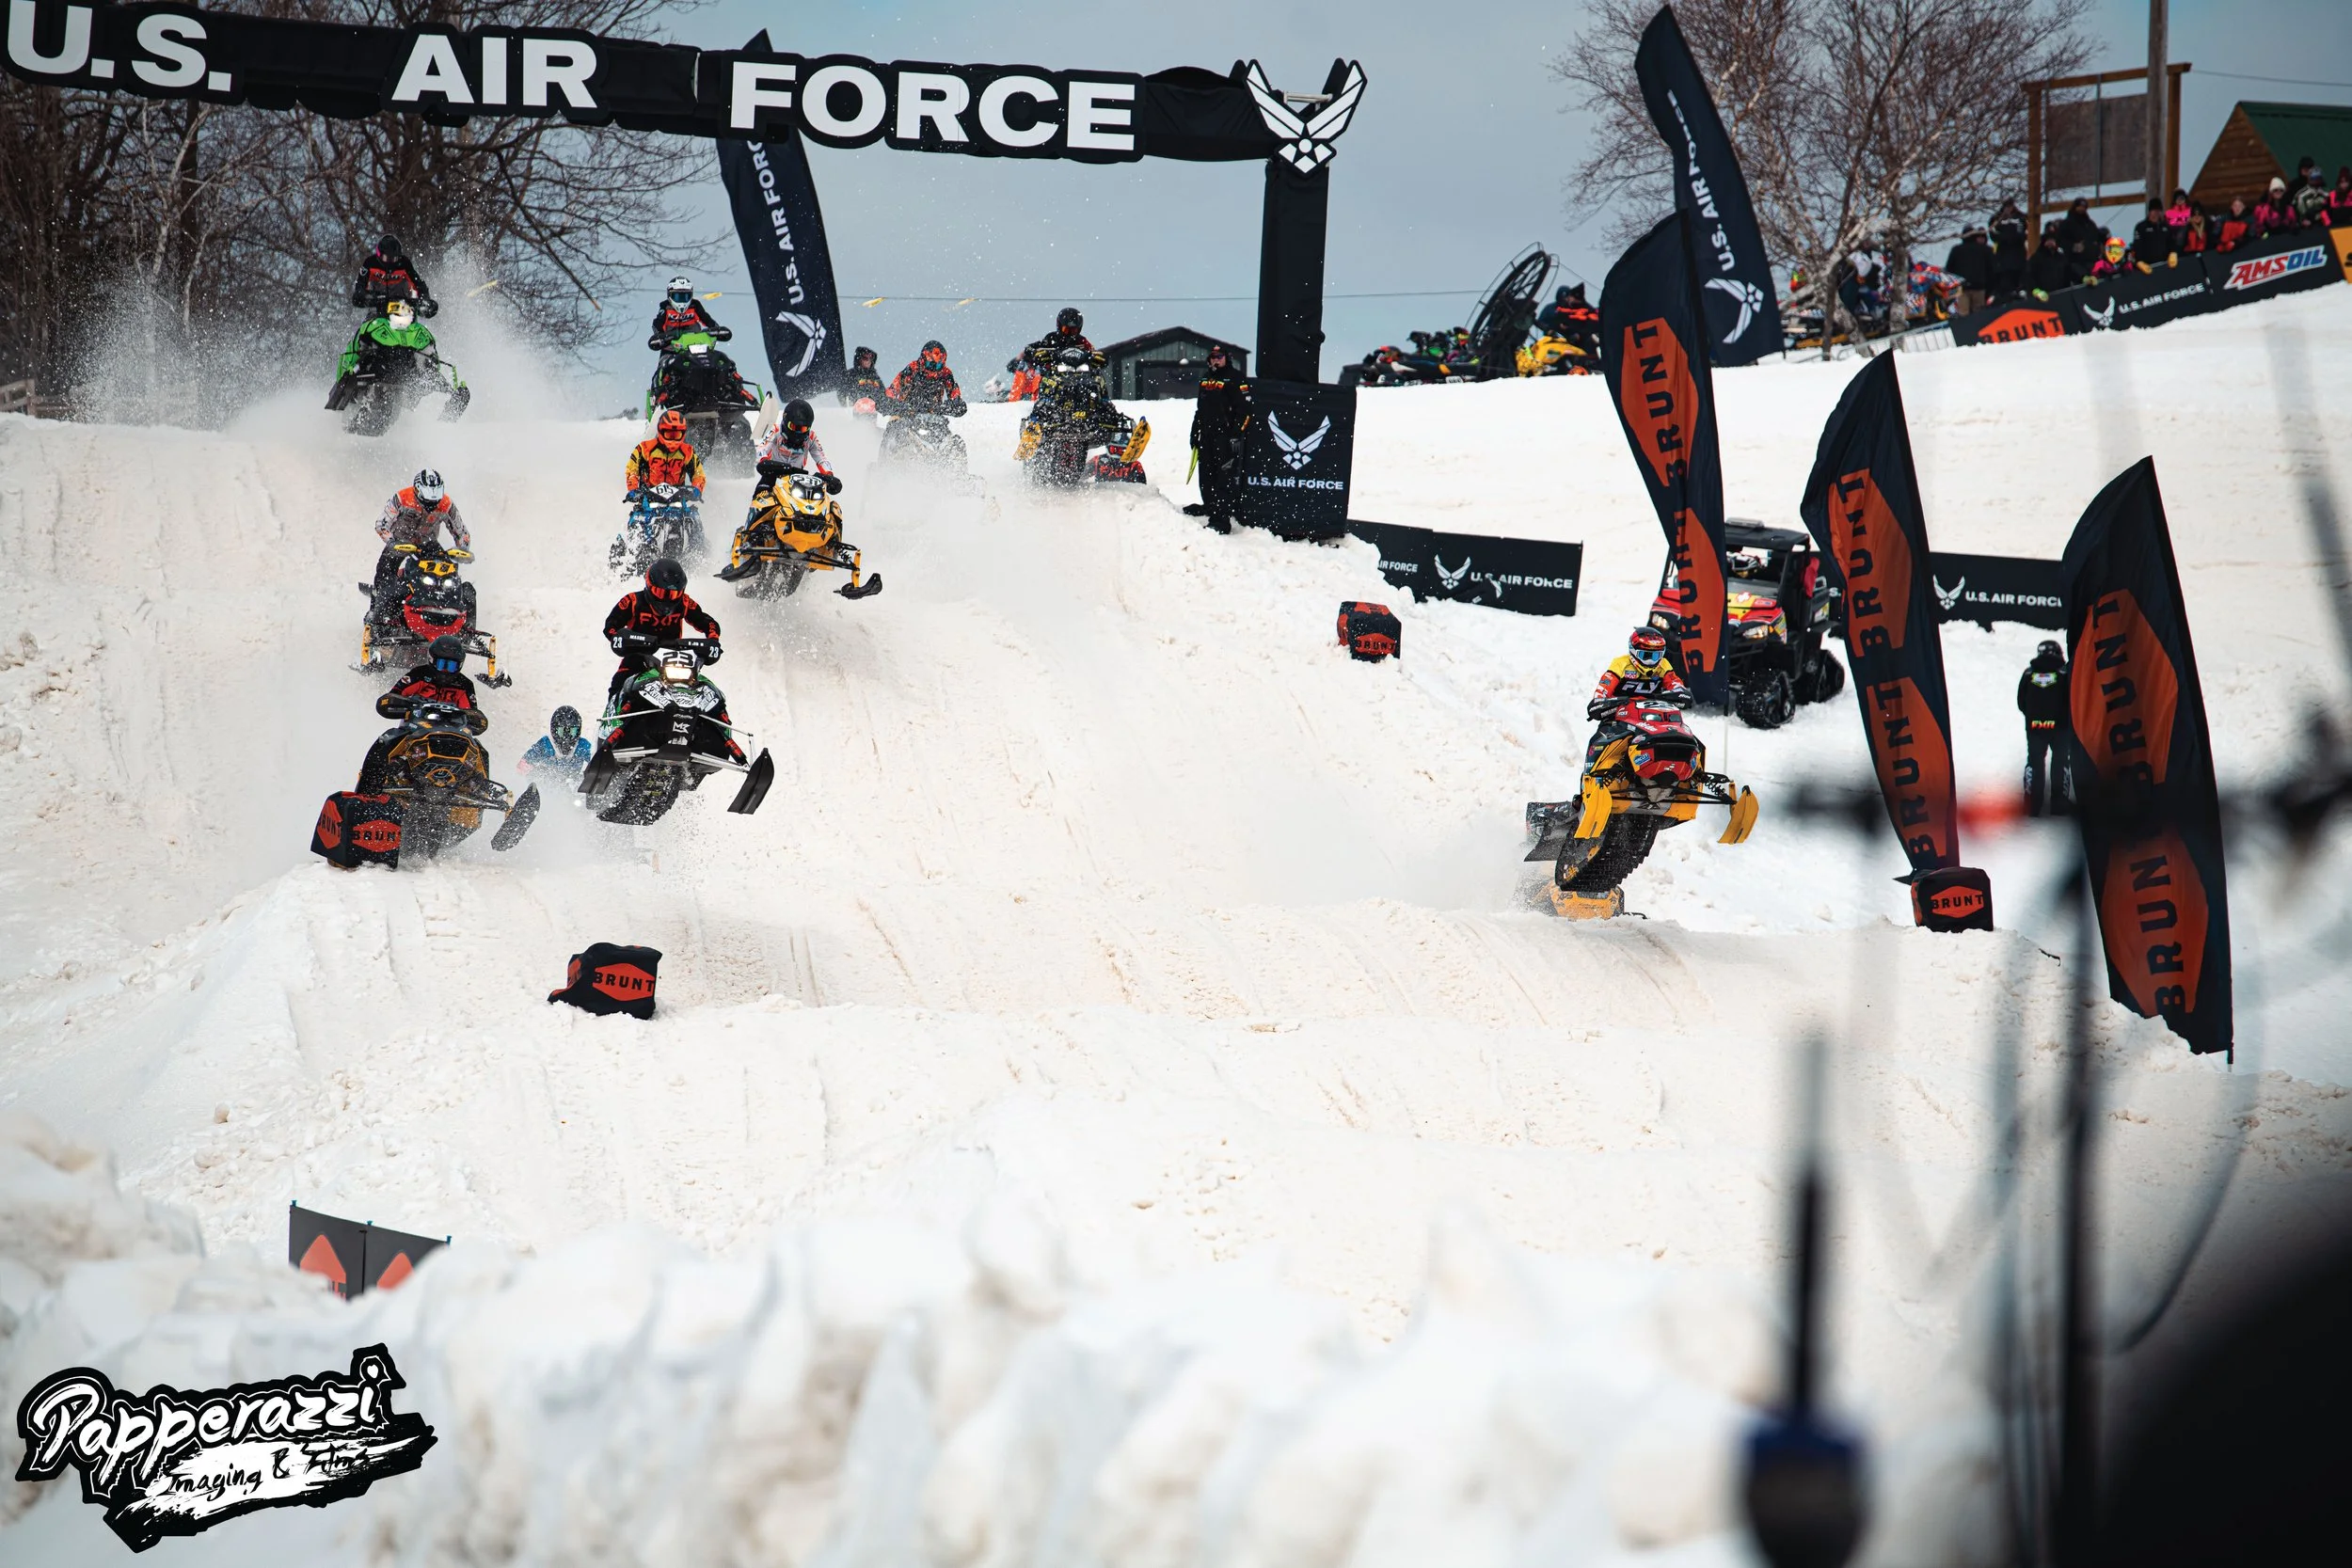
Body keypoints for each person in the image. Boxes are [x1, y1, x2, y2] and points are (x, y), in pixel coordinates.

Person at [602, 559, 721, 702]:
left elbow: (708, 622)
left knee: (706, 690)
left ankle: (716, 713)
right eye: (661, 593)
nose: (667, 600)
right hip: (638, 655)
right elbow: (611, 624)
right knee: (619, 684)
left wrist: (713, 640)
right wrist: (617, 637)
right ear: (649, 585)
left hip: (674, 658)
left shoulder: (685, 602)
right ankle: (617, 714)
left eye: (673, 595)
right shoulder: (632, 601)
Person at [369, 467, 469, 624]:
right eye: (427, 500)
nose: (431, 505)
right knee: (384, 572)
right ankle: (375, 612)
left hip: (428, 544)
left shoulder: (446, 504)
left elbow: (461, 532)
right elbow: (381, 524)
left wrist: (462, 549)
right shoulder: (402, 498)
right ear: (417, 490)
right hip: (400, 542)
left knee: (448, 571)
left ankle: (451, 609)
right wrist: (391, 541)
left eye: (435, 500)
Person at [1584, 627, 1692, 767]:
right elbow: (1603, 689)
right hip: (1620, 716)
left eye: (1656, 656)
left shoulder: (1664, 665)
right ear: (1633, 652)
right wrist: (1601, 702)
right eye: (1645, 655)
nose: (1651, 662)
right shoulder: (1620, 664)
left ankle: (1692, 768)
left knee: (1686, 734)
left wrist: (1679, 695)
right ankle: (1595, 772)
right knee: (1600, 740)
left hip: (1655, 718)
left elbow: (1677, 685)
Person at [1186, 342, 1250, 534]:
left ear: (1226, 358)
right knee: (1206, 477)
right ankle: (1210, 508)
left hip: (1226, 437)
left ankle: (1221, 521)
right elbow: (1200, 409)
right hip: (1206, 435)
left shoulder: (1236, 378)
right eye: (1213, 357)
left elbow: (1246, 410)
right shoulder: (1206, 378)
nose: (1216, 360)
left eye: (1219, 357)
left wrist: (1236, 435)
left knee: (1224, 479)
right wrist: (1194, 432)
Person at [2017, 640, 2071, 816]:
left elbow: (2021, 701)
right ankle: (2059, 804)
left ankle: (2032, 805)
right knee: (2061, 762)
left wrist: (2033, 717)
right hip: (2060, 727)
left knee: (2035, 761)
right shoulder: (2065, 674)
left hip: (2035, 726)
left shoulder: (2029, 673)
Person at [752, 398, 839, 500]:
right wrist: (765, 461)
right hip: (773, 475)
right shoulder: (775, 430)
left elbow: (822, 459)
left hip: (798, 480)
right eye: (794, 427)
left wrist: (829, 475)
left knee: (822, 500)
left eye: (803, 429)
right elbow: (761, 448)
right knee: (760, 495)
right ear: (786, 421)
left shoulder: (811, 437)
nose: (798, 432)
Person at [626, 408, 706, 500]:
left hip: (677, 496)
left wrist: (697, 488)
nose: (672, 440)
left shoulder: (688, 451)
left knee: (693, 510)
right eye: (669, 435)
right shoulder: (644, 448)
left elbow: (698, 473)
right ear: (661, 431)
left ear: (683, 434)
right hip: (648, 495)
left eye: (677, 435)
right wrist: (633, 489)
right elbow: (632, 469)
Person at [388, 635, 479, 710]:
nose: (445, 670)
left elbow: (472, 714)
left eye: (451, 666)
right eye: (441, 664)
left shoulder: (464, 685)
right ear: (432, 661)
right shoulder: (419, 674)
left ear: (459, 666)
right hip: (415, 722)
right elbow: (394, 695)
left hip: (450, 725)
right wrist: (401, 704)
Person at [351, 234, 435, 316]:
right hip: (377, 309)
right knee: (366, 323)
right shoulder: (370, 263)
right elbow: (361, 284)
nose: (390, 262)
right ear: (379, 255)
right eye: (386, 258)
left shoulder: (404, 264)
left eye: (394, 259)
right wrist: (361, 295)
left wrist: (425, 300)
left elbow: (418, 283)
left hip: (404, 309)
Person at [881, 341, 967, 417]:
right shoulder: (913, 368)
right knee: (895, 424)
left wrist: (956, 402)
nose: (933, 369)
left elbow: (954, 391)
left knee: (943, 427)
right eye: (930, 364)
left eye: (938, 365)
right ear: (923, 359)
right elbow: (895, 387)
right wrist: (888, 400)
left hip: (933, 414)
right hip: (907, 412)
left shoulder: (946, 373)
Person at [647, 276, 729, 349]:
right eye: (677, 296)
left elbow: (706, 319)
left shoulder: (694, 305)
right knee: (665, 360)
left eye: (686, 296)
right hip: (672, 347)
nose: (682, 300)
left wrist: (716, 329)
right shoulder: (665, 307)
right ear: (670, 295)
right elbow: (657, 324)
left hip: (695, 345)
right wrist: (660, 337)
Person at [519, 705, 593, 784]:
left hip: (575, 785)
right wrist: (526, 767)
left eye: (572, 731)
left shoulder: (583, 745)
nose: (567, 736)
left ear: (578, 731)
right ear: (554, 730)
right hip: (548, 784)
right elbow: (526, 761)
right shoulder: (546, 744)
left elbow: (594, 760)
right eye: (561, 731)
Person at [1021, 307, 1101, 370]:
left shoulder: (1082, 341)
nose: (1069, 334)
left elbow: (1093, 352)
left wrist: (1096, 357)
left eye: (1073, 331)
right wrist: (1036, 353)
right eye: (1066, 330)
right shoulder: (1051, 338)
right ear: (1059, 326)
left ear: (1079, 329)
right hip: (1053, 373)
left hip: (1079, 373)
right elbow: (1029, 347)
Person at [1945, 225, 1994, 315]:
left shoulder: (1956, 250)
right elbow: (1991, 270)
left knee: (1964, 315)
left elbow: (1949, 270)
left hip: (1962, 288)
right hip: (1980, 288)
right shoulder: (1985, 250)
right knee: (1980, 315)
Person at [2057, 198, 2107, 283]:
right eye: (2079, 206)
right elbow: (2060, 240)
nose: (2081, 209)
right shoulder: (2067, 223)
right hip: (2075, 264)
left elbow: (2096, 237)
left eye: (2084, 207)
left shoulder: (2090, 224)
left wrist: (2102, 239)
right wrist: (2073, 247)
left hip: (2092, 262)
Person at [1989, 199, 2029, 299]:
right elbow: (1993, 233)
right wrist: (2006, 238)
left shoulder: (2021, 217)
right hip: (2003, 257)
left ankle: (2020, 293)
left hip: (2019, 255)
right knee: (2006, 282)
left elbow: (2027, 232)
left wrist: (2017, 237)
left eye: (2010, 206)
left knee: (2019, 279)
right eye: (2007, 206)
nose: (2009, 208)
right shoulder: (1997, 218)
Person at [2027, 222, 2074, 295]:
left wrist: (2083, 278)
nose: (2050, 243)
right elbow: (2029, 276)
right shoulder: (2036, 258)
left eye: (2052, 240)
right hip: (2042, 296)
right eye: (2048, 240)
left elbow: (2069, 274)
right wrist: (2035, 290)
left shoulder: (2062, 258)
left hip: (2060, 295)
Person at [2130, 200, 2178, 269]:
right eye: (2154, 211)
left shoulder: (2166, 226)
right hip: (2147, 267)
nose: (2156, 214)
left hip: (2164, 266)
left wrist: (2173, 253)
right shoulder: (2141, 227)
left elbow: (2172, 242)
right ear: (2150, 212)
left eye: (2159, 211)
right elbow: (2137, 246)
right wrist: (2139, 261)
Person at [842, 346, 885, 411]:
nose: (868, 360)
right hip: (855, 411)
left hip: (875, 412)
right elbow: (842, 394)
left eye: (870, 358)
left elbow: (883, 394)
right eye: (865, 358)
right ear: (859, 359)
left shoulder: (875, 377)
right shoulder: (850, 375)